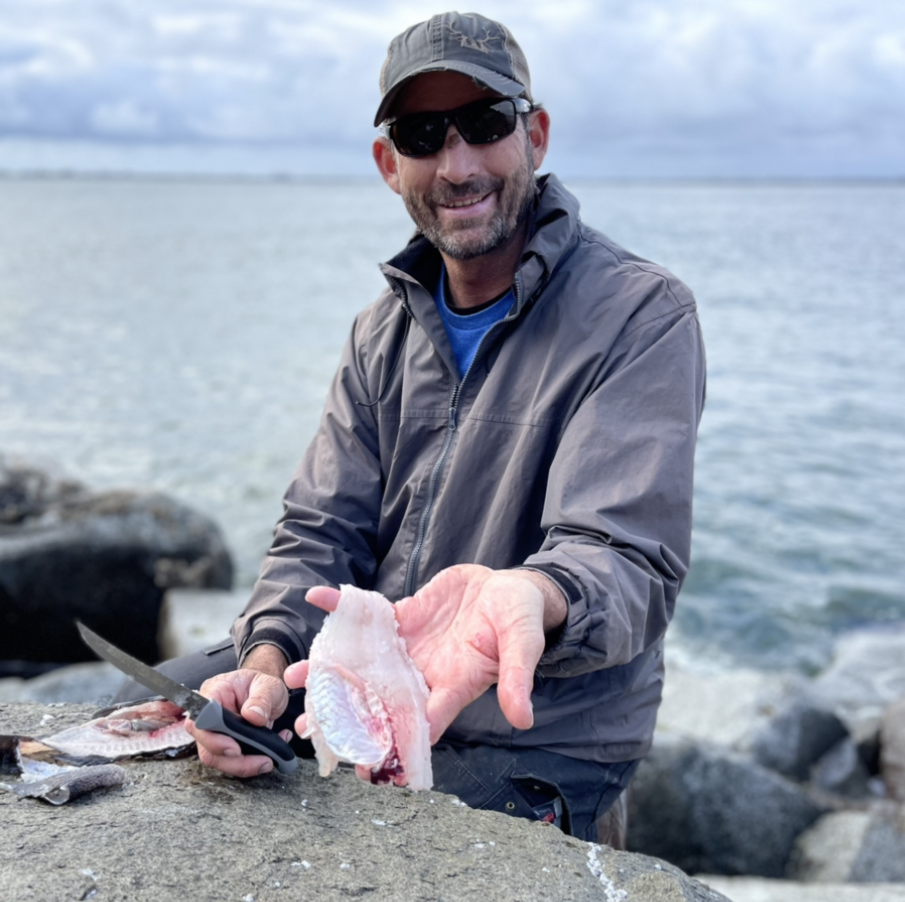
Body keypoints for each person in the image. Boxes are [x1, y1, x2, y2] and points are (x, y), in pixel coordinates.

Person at [116, 11, 706, 841]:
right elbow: (319, 529)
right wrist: (267, 663)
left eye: (486, 123)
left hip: (541, 729)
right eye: (424, 134)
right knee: (143, 714)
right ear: (389, 163)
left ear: (534, 134)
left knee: (375, 850)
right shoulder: (379, 334)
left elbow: (623, 556)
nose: (458, 163)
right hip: (368, 679)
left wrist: (533, 597)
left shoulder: (639, 314)